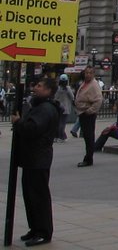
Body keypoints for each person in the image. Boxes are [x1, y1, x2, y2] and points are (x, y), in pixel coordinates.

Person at [12, 76, 60, 246]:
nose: (35, 88)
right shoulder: (41, 106)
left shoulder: (45, 109)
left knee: (38, 197)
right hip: (32, 158)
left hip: (38, 159)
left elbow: (32, 129)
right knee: (30, 196)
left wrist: (18, 122)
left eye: (39, 86)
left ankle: (43, 231)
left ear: (48, 90)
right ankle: (35, 228)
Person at [74, 65, 102, 167]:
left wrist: (89, 111)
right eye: (86, 72)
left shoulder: (94, 85)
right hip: (82, 113)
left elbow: (98, 100)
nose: (88, 74)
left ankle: (88, 158)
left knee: (89, 136)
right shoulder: (85, 83)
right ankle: (88, 157)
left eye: (90, 73)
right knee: (86, 136)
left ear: (93, 74)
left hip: (88, 114)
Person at [54, 75, 76, 142]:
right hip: (65, 108)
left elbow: (55, 98)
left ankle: (57, 136)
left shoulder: (58, 88)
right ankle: (61, 137)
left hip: (58, 107)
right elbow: (72, 97)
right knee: (62, 123)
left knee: (57, 122)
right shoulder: (68, 88)